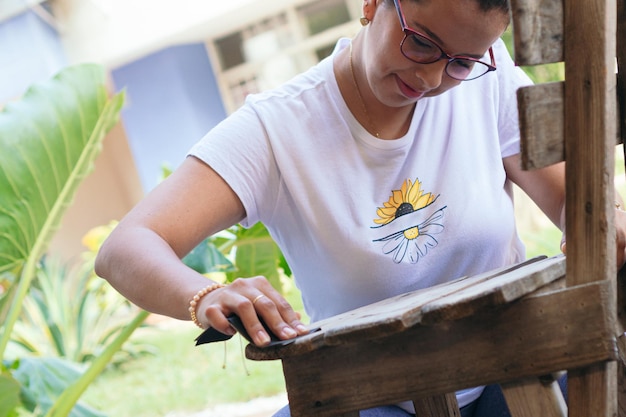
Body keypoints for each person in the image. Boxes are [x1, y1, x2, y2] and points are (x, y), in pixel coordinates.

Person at [94, 0, 626, 416]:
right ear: (373, 4)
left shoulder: (485, 83)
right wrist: (206, 292)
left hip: (513, 369)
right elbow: (127, 246)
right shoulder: (276, 131)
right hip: (374, 395)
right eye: (421, 42)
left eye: (462, 62)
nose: (432, 79)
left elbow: (572, 204)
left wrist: (609, 222)